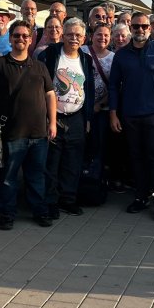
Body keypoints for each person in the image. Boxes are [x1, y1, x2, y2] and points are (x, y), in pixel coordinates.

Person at [0, 20, 57, 230]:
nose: (20, 39)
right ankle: (7, 214)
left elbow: (50, 95)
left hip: (39, 133)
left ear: (30, 39)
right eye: (16, 35)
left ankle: (40, 211)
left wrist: (53, 123)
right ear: (10, 38)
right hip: (12, 133)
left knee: (36, 176)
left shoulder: (39, 66)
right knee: (8, 178)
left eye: (25, 35)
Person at [109, 11, 154, 222]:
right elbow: (113, 86)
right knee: (136, 159)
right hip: (130, 116)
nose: (140, 30)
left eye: (144, 26)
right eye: (136, 26)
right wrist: (113, 113)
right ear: (131, 28)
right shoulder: (121, 55)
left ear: (151, 29)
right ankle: (141, 197)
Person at [39, 18, 95, 217]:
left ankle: (68, 199)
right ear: (62, 35)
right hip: (53, 116)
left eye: (78, 35)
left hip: (77, 117)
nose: (74, 38)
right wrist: (45, 117)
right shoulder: (50, 55)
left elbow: (89, 90)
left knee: (73, 162)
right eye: (70, 34)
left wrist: (87, 118)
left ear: (84, 38)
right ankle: (51, 201)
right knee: (51, 162)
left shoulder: (86, 60)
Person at [82, 23, 114, 185]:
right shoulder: (82, 51)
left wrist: (100, 104)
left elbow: (115, 87)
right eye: (98, 34)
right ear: (91, 36)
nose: (102, 38)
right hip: (81, 109)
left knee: (99, 146)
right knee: (82, 146)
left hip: (102, 110)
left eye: (106, 35)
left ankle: (96, 181)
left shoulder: (113, 57)